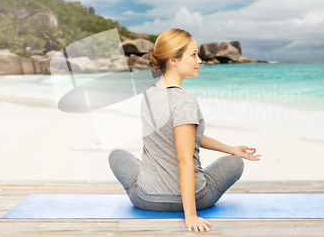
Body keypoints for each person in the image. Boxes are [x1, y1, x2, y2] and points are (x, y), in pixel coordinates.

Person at [108, 28, 261, 233]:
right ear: (173, 60)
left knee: (117, 155)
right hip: (197, 199)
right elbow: (184, 159)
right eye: (194, 54)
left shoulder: (149, 96)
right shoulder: (185, 101)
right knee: (235, 163)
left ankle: (149, 166)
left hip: (146, 199)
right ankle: (165, 180)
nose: (200, 60)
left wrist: (231, 147)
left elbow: (187, 137)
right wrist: (190, 215)